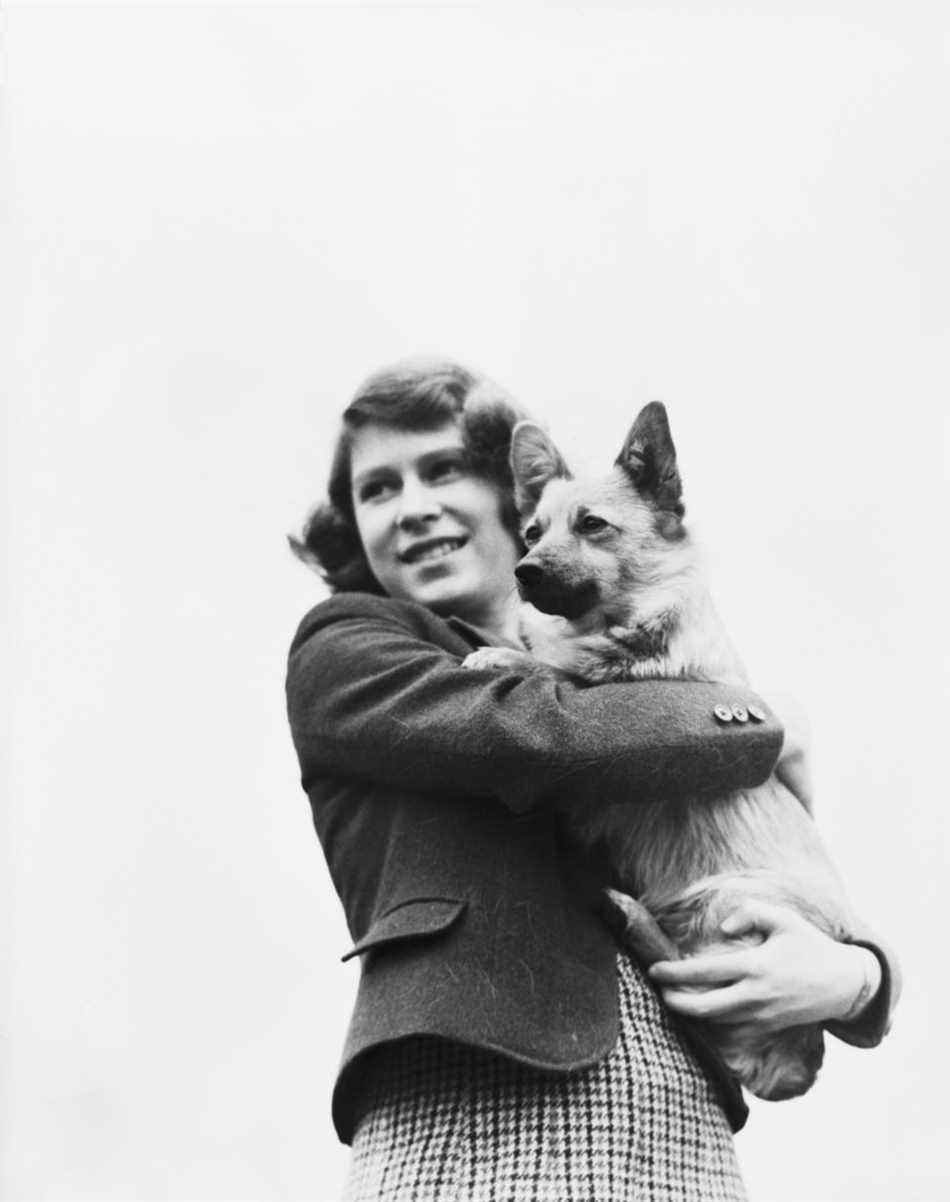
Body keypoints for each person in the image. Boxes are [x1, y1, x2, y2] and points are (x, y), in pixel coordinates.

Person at [285, 359, 899, 1202]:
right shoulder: (349, 649)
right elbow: (541, 737)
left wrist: (858, 979)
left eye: (442, 469)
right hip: (473, 1128)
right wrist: (762, 724)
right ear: (355, 526)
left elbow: (780, 851)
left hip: (683, 1134)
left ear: (512, 496)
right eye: (379, 489)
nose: (416, 504)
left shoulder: (639, 665)